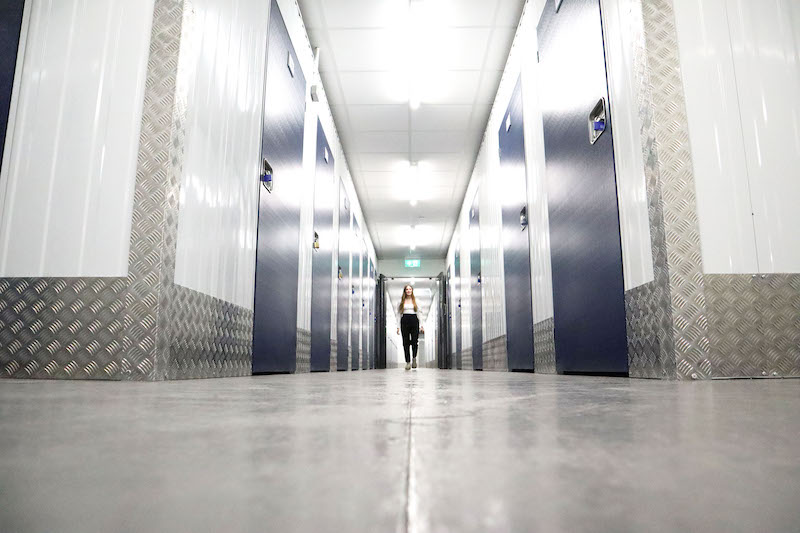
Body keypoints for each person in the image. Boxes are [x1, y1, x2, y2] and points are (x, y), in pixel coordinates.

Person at [396, 284, 420, 370]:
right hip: (404, 320)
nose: (408, 291)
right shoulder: (401, 302)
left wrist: (421, 325)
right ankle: (408, 362)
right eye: (407, 289)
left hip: (414, 320)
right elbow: (398, 314)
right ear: (405, 291)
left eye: (410, 289)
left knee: (414, 341)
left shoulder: (416, 301)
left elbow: (419, 313)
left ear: (412, 291)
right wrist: (398, 327)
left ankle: (414, 358)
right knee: (405, 342)